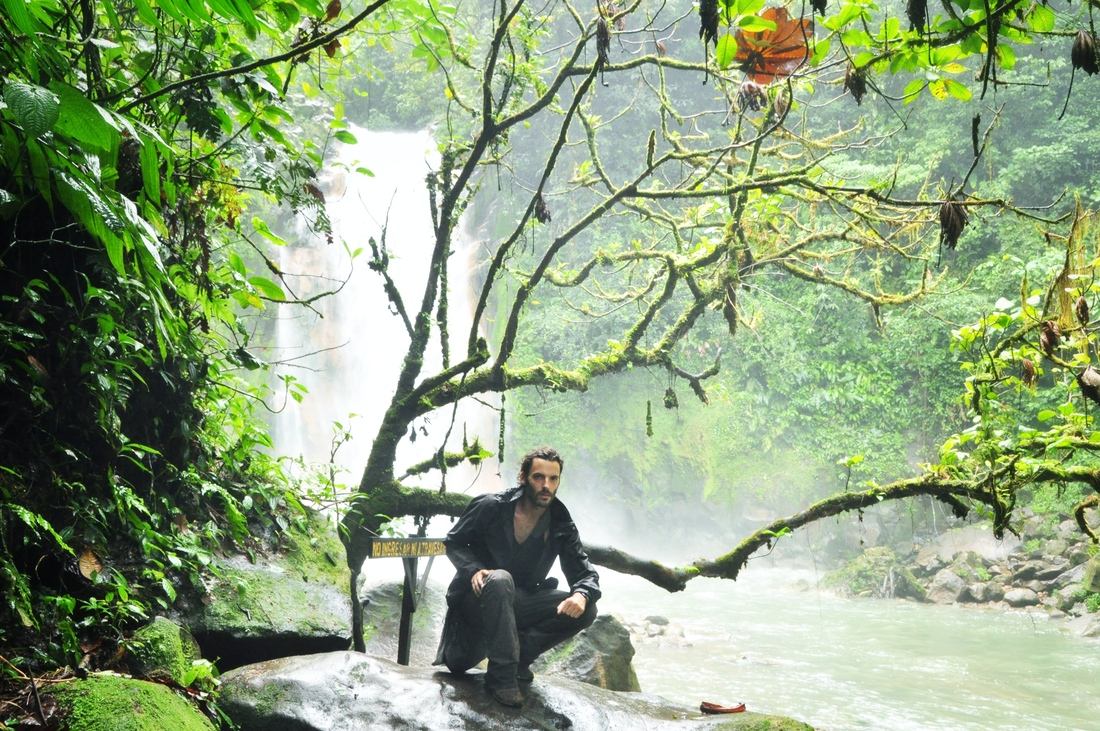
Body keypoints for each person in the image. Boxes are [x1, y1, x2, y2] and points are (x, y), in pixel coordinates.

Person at [433, 446, 600, 707]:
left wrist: (582, 593)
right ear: (523, 477)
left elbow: (583, 571)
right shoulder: (491, 506)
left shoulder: (560, 522)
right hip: (477, 603)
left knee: (587, 608)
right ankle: (502, 678)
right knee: (500, 579)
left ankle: (520, 656)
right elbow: (454, 542)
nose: (546, 485)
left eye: (553, 479)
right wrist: (474, 569)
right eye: (538, 477)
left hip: (519, 602)